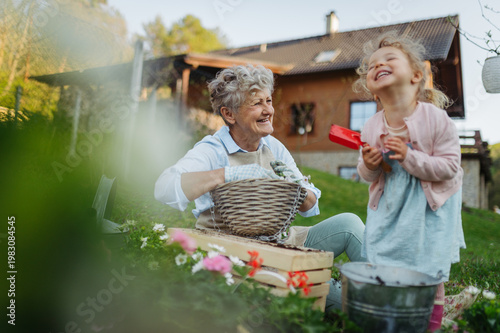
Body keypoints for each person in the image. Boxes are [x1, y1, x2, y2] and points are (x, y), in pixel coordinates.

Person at [155, 64, 365, 311]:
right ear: (229, 114)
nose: (268, 110)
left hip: (281, 242)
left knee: (349, 224)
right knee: (340, 300)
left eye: (268, 101)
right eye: (256, 104)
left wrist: (296, 185)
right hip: (240, 253)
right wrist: (227, 174)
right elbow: (164, 188)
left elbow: (311, 205)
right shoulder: (212, 150)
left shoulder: (272, 146)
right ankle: (373, 307)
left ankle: (389, 288)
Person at [354, 32, 466, 331]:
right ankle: (392, 321)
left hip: (430, 210)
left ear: (417, 75)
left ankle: (428, 325)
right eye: (372, 65)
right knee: (386, 266)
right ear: (372, 89)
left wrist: (409, 157)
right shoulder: (371, 126)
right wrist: (368, 165)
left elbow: (450, 167)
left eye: (389, 59)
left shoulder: (436, 119)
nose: (379, 65)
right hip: (391, 206)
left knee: (429, 272)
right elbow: (367, 176)